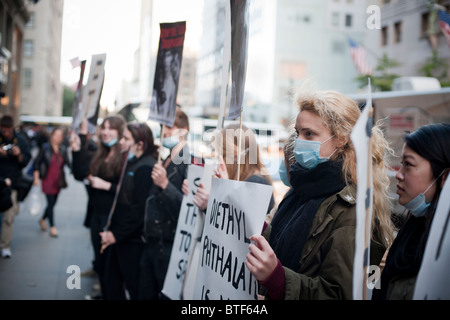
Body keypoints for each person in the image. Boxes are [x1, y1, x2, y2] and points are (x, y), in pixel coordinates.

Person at [245, 89, 394, 300]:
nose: (298, 141)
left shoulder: (352, 209)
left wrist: (278, 280)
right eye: (297, 133)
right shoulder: (299, 190)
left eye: (309, 134)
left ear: (341, 139)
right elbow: (274, 242)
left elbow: (340, 293)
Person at [372, 123, 450, 300]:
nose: (399, 174)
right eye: (402, 164)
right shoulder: (415, 224)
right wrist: (369, 271)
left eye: (408, 164)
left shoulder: (444, 248)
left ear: (444, 177)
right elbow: (381, 283)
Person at [139, 107, 202, 300]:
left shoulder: (193, 163)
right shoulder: (165, 158)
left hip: (170, 247)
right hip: (151, 242)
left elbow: (190, 211)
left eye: (170, 126)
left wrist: (165, 185)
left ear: (183, 131)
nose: (164, 131)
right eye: (162, 126)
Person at [99, 122, 158, 300]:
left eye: (126, 138)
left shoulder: (146, 167)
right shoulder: (131, 161)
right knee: (111, 283)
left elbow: (138, 210)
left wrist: (115, 235)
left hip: (131, 241)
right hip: (121, 236)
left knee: (132, 287)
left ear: (140, 144)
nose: (121, 142)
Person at [71, 115, 126, 300]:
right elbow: (80, 174)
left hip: (112, 218)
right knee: (101, 263)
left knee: (111, 266)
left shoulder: (125, 156)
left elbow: (126, 190)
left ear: (120, 131)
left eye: (111, 128)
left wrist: (105, 185)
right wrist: (77, 149)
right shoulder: (100, 153)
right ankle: (104, 294)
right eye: (104, 128)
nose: (105, 132)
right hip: (97, 214)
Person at [0, 115, 32, 258]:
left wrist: (18, 155)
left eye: (8, 131)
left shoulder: (20, 140)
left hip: (12, 184)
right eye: (3, 130)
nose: (6, 134)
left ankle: (5, 245)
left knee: (9, 217)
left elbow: (26, 160)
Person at [33, 127, 71, 237]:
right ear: (52, 135)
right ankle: (52, 227)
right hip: (47, 179)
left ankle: (42, 219)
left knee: (53, 203)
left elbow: (68, 163)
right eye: (56, 135)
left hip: (58, 180)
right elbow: (37, 163)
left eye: (60, 136)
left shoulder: (63, 149)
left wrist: (75, 171)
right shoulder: (45, 148)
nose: (58, 138)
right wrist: (36, 178)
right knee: (50, 203)